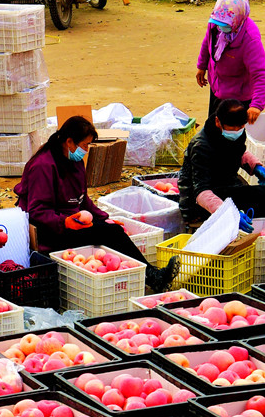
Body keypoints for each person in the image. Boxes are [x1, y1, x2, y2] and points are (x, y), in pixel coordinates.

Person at [15, 115, 176, 291]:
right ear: (69, 142)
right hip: (49, 231)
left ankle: (151, 275)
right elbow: (37, 211)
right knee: (111, 233)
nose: (86, 150)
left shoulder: (74, 162)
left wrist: (104, 218)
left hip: (73, 221)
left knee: (112, 229)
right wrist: (64, 222)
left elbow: (83, 200)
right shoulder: (43, 166)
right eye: (85, 145)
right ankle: (153, 277)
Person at [178, 99, 265, 233]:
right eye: (232, 128)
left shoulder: (237, 133)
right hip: (200, 202)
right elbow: (201, 192)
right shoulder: (201, 146)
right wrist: (228, 213)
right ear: (218, 122)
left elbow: (237, 151)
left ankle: (244, 221)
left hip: (226, 187)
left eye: (240, 127)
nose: (236, 131)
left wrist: (255, 166)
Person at [195, 0, 265, 123]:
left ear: (237, 21)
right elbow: (207, 42)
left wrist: (257, 105)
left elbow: (261, 74)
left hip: (238, 96)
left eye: (225, 25)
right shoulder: (215, 23)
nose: (220, 27)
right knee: (214, 126)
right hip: (217, 86)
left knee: (233, 130)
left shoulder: (250, 39)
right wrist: (202, 66)